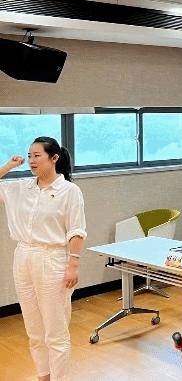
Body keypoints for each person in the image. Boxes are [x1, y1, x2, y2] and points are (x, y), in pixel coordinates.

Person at [0, 137, 87, 381]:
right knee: (34, 330)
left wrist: (73, 264)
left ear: (54, 158)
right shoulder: (21, 188)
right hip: (23, 257)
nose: (31, 160)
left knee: (56, 332)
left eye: (37, 155)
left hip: (53, 259)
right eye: (29, 156)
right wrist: (8, 166)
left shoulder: (69, 191)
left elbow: (76, 230)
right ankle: (43, 377)